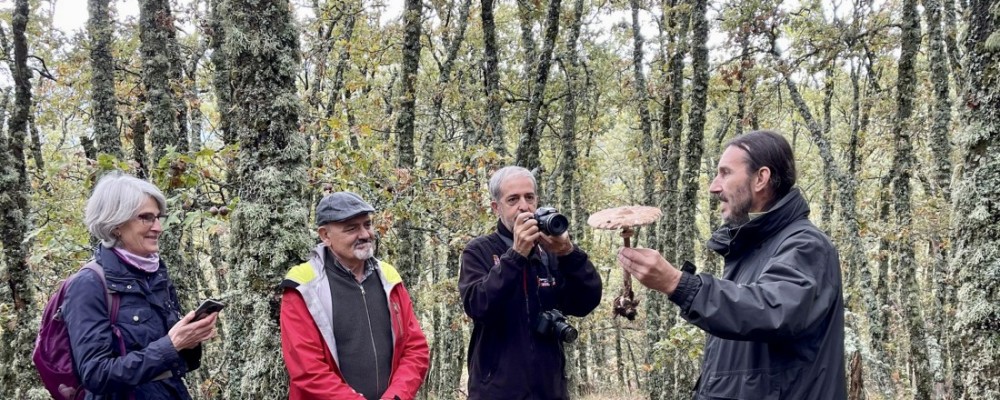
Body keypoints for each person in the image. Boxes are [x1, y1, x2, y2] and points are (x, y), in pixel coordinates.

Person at [618, 130, 846, 399]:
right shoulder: (750, 248)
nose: (714, 187)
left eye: (725, 173)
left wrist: (678, 284)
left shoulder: (807, 245)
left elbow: (772, 311)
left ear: (761, 178)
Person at [64, 172, 219, 399]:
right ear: (116, 223)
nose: (158, 227)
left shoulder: (155, 275)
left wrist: (191, 338)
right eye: (146, 218)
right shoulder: (88, 285)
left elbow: (177, 364)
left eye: (158, 217)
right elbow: (95, 375)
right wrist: (171, 345)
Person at [459, 166, 603, 399]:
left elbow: (585, 301)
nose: (524, 206)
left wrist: (569, 253)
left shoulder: (549, 249)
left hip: (550, 389)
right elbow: (478, 306)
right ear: (497, 207)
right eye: (513, 199)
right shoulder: (479, 251)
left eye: (529, 197)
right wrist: (516, 255)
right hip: (496, 390)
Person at [279, 191, 429, 400]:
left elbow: (415, 348)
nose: (365, 234)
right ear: (325, 235)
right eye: (352, 228)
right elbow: (307, 369)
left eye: (367, 225)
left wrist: (397, 396)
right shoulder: (304, 286)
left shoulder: (389, 278)